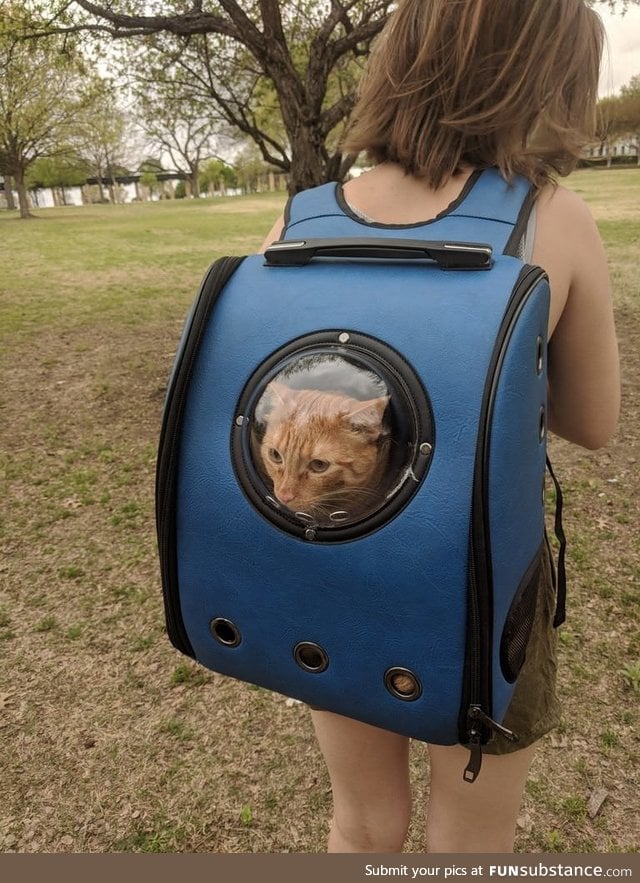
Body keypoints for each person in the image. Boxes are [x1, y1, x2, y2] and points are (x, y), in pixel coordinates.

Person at [260, 0, 620, 854]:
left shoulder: (301, 217)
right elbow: (593, 422)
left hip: (334, 569)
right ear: (542, 79)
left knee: (361, 822)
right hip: (483, 586)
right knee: (469, 842)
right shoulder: (549, 217)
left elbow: (271, 386)